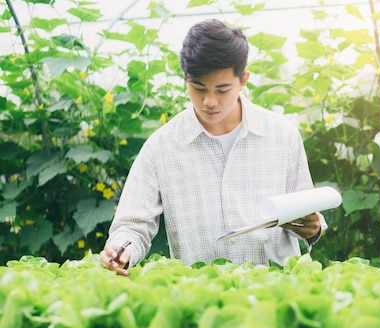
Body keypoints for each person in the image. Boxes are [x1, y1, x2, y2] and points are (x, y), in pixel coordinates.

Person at [100, 19, 324, 276]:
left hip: (274, 294)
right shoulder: (161, 147)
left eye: (222, 90)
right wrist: (121, 249)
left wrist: (312, 228)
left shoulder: (282, 136)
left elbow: (308, 213)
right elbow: (132, 225)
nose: (209, 101)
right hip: (200, 299)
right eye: (198, 88)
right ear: (185, 78)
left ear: (243, 80)